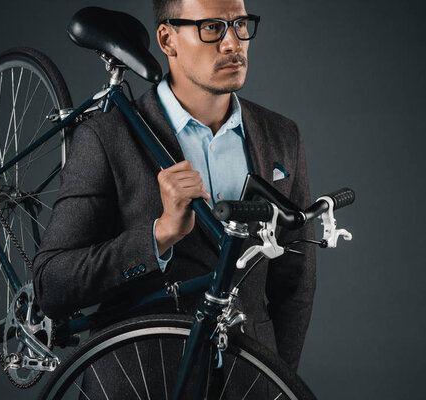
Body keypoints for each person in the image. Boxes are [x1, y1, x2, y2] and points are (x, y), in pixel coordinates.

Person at [32, 0, 316, 391]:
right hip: (140, 381)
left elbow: (295, 282)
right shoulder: (107, 138)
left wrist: (272, 380)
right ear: (168, 39)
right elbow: (52, 285)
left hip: (246, 381)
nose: (234, 43)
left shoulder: (282, 136)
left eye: (240, 24)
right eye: (213, 28)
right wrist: (159, 235)